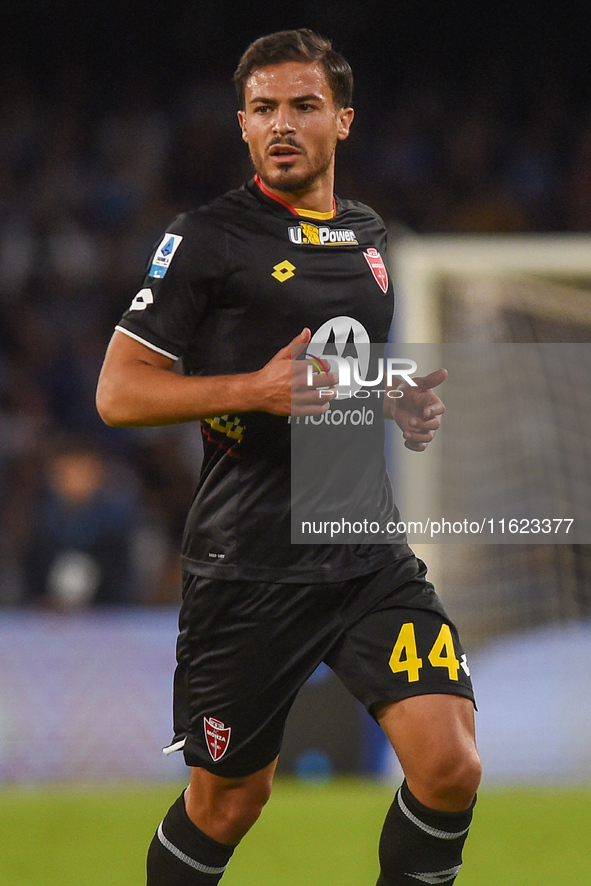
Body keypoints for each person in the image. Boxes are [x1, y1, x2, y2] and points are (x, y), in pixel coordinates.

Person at [96, 29, 481, 886]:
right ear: (240, 125)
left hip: (363, 553)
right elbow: (119, 393)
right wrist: (251, 390)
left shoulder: (370, 239)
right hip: (249, 566)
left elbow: (334, 369)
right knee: (229, 804)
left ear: (342, 121)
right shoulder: (206, 239)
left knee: (450, 764)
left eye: (302, 106)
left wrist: (391, 394)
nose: (281, 123)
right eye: (263, 108)